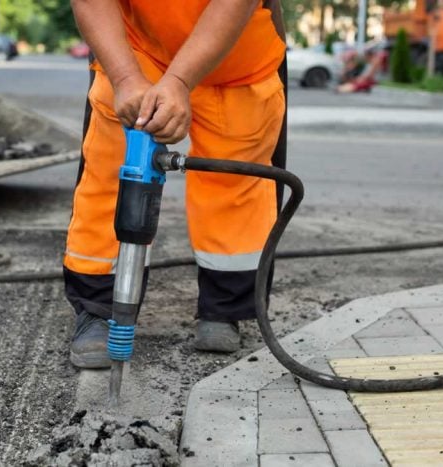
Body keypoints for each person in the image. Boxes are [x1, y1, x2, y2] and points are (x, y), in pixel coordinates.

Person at [65, 0, 288, 368]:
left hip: (237, 57)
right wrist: (125, 79)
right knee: (113, 169)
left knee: (233, 181)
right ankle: (100, 307)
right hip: (137, 51)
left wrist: (180, 81)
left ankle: (224, 308)